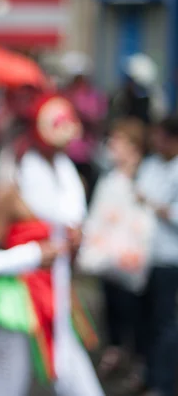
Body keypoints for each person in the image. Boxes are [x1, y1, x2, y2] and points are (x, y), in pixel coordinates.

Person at [0, 94, 103, 395]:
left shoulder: (72, 188)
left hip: (56, 299)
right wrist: (31, 255)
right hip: (15, 305)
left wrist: (74, 245)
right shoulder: (11, 193)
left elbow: (69, 259)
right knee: (5, 389)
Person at [80, 118, 149, 383]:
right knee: (112, 306)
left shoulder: (146, 176)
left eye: (117, 141)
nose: (111, 146)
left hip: (135, 264)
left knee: (137, 313)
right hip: (109, 261)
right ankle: (116, 350)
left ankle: (137, 360)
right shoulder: (110, 178)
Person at [135, 116, 178, 396]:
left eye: (161, 137)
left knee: (166, 322)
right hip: (142, 256)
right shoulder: (151, 164)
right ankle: (148, 374)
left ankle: (162, 383)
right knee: (143, 320)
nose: (155, 142)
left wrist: (155, 206)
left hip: (169, 259)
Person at [60, 51, 107, 203]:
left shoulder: (93, 96)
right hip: (65, 153)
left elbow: (96, 119)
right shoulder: (63, 93)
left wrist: (78, 108)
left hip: (85, 156)